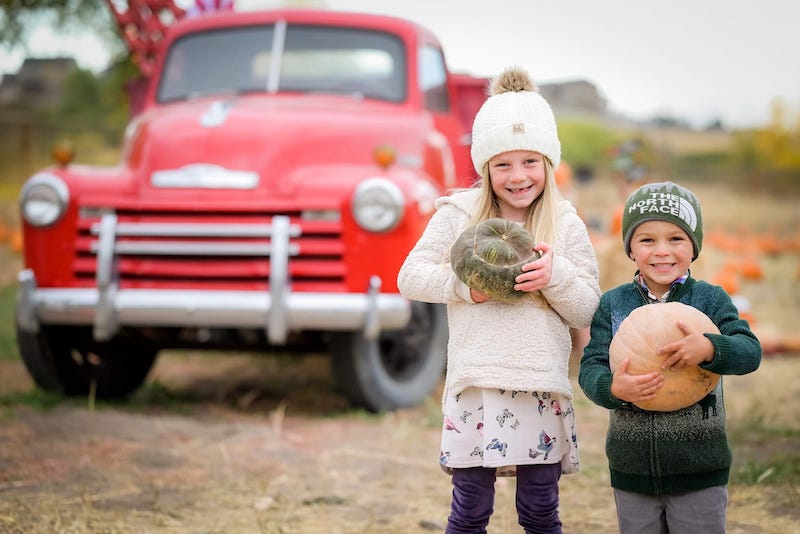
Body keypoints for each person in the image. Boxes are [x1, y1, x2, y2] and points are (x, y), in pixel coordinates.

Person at [397, 66, 601, 533]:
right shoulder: (459, 215)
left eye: (530, 162)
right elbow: (411, 276)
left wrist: (556, 275)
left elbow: (587, 306)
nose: (517, 176)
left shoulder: (564, 224)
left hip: (539, 386)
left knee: (539, 511)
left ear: (548, 164)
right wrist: (463, 287)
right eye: (503, 164)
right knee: (469, 511)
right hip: (478, 384)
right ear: (485, 167)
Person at [578, 181, 762, 534]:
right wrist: (613, 387)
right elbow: (591, 368)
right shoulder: (613, 304)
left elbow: (749, 351)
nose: (662, 251)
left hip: (699, 470)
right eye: (647, 240)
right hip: (632, 471)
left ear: (693, 247)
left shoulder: (710, 300)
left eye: (675, 239)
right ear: (630, 248)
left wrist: (712, 348)